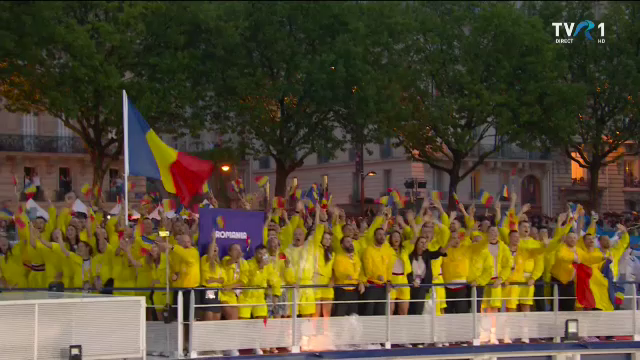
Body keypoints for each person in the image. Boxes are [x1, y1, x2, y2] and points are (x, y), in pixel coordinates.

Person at [407, 235, 449, 315]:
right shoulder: (410, 256)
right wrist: (412, 281)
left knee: (419, 309)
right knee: (412, 308)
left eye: (425, 243)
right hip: (412, 284)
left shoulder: (427, 254)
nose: (424, 244)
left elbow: (439, 253)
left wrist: (449, 244)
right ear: (416, 244)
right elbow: (408, 272)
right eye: (421, 242)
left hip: (423, 285)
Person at [361, 227, 393, 316]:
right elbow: (368, 269)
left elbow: (389, 268)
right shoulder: (368, 250)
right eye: (379, 234)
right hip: (371, 286)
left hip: (383, 287)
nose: (382, 237)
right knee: (369, 313)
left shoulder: (387, 251)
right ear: (374, 236)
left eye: (383, 235)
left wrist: (389, 281)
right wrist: (377, 276)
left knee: (381, 314)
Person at [332, 235, 364, 317]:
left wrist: (361, 282)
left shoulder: (356, 258)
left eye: (351, 242)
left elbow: (360, 272)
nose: (350, 244)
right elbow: (338, 272)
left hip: (354, 291)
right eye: (347, 242)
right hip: (342, 291)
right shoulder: (338, 258)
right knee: (340, 317)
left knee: (353, 317)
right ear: (342, 245)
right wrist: (347, 276)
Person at [200, 236, 225, 321]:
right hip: (209, 291)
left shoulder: (219, 264)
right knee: (209, 314)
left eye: (216, 248)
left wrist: (214, 280)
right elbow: (210, 256)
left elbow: (223, 280)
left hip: (217, 291)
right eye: (213, 248)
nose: (215, 250)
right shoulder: (205, 259)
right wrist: (213, 239)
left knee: (217, 316)